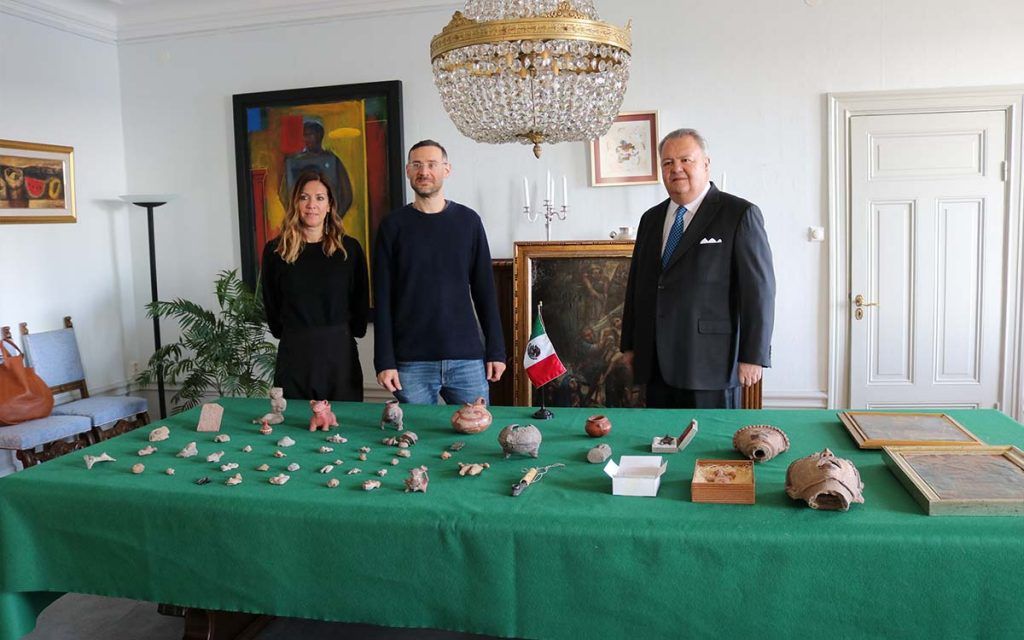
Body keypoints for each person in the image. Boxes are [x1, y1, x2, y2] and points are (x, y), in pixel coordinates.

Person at [621, 128, 775, 409]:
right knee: (660, 435)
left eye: (685, 160)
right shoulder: (650, 219)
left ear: (706, 163)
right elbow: (636, 285)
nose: (676, 169)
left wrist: (753, 356)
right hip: (655, 362)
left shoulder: (739, 214)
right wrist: (630, 344)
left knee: (711, 436)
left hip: (712, 364)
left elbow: (759, 292)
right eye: (668, 163)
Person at [373, 139, 506, 405]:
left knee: (476, 430)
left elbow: (485, 292)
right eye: (417, 165)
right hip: (410, 361)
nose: (424, 172)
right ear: (408, 171)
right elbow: (382, 298)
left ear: (446, 169)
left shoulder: (468, 222)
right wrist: (384, 360)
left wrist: (496, 351)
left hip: (466, 359)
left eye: (432, 164)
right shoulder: (392, 226)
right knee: (414, 432)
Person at [262, 170, 368, 401]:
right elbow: (271, 304)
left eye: (319, 198)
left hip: (339, 356)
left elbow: (360, 302)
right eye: (304, 197)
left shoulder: (349, 250)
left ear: (329, 205)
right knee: (294, 422)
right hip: (295, 355)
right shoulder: (275, 251)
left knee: (344, 420)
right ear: (295, 204)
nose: (312, 205)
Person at [282, 118, 354, 219]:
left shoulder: (332, 160)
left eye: (310, 134)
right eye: (305, 135)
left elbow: (347, 195)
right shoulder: (294, 161)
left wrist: (334, 218)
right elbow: (284, 193)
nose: (307, 139)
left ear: (320, 135)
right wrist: (295, 216)